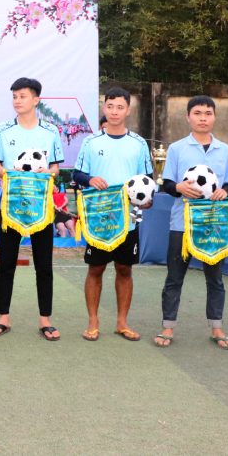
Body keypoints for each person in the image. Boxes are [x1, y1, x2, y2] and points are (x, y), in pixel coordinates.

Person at [155, 96, 228, 349]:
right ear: (188, 117)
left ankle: (217, 327)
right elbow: (167, 183)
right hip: (182, 224)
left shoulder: (224, 150)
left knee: (215, 279)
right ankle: (167, 327)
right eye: (198, 113)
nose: (203, 117)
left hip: (214, 225)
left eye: (208, 113)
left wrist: (225, 191)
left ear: (214, 117)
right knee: (174, 277)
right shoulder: (178, 148)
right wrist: (178, 187)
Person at [0, 77, 64, 340]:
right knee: (6, 262)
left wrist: (47, 172)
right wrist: (8, 172)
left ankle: (45, 320)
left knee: (44, 264)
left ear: (36, 100)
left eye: (22, 96)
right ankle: (3, 318)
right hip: (10, 205)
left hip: (41, 207)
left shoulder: (51, 131)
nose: (17, 101)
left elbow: (55, 167)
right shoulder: (3, 130)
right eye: (15, 97)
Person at [72, 87, 153, 342]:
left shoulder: (138, 144)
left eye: (120, 107)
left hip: (128, 219)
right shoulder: (91, 142)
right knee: (95, 269)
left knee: (124, 269)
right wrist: (90, 178)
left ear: (128, 110)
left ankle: (121, 323)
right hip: (99, 218)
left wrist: (147, 197)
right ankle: (93, 322)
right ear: (104, 108)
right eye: (110, 106)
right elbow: (77, 174)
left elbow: (148, 179)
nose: (115, 111)